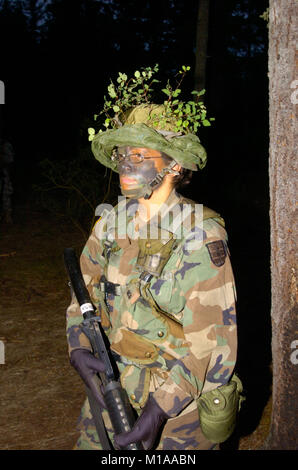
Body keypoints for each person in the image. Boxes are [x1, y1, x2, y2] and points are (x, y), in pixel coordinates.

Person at [66, 103, 238, 450]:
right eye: (122, 153)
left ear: (174, 164)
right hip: (110, 391)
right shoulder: (110, 224)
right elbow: (82, 292)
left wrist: (158, 410)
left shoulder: (200, 235)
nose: (126, 164)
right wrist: (78, 346)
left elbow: (214, 346)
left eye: (141, 154)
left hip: (177, 413)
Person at [0, 137, 14, 224]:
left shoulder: (5, 144)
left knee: (6, 193)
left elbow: (10, 159)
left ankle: (7, 215)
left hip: (3, 173)